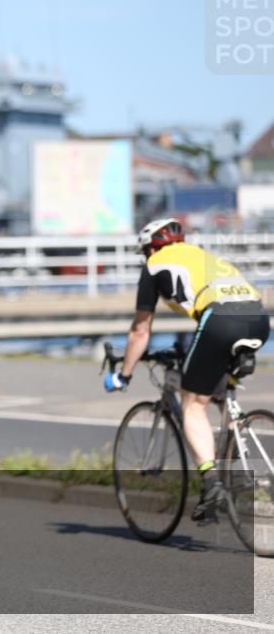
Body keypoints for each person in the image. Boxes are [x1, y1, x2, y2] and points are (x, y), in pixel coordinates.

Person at [104, 218, 269, 523]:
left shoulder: (155, 264)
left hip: (220, 319)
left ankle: (211, 484)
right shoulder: (202, 256)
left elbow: (141, 330)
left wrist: (124, 374)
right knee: (220, 387)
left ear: (151, 247)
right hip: (258, 318)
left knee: (192, 402)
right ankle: (234, 446)